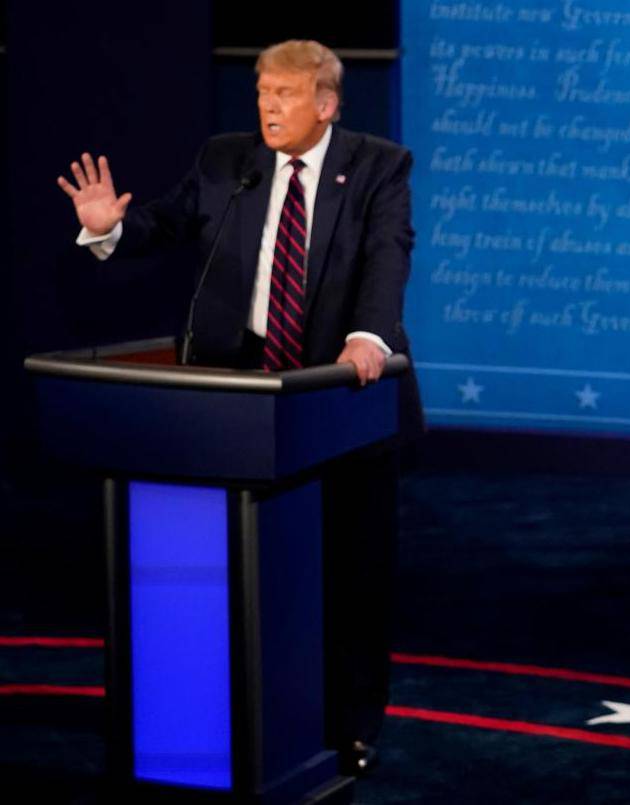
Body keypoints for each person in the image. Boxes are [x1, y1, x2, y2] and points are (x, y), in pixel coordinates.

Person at [56, 40, 420, 776]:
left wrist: (367, 336)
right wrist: (109, 227)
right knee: (247, 570)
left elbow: (388, 253)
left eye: (285, 94)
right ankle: (245, 711)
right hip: (240, 402)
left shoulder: (379, 165)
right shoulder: (230, 160)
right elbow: (162, 222)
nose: (268, 106)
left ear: (327, 103)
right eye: (261, 91)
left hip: (339, 395)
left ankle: (351, 726)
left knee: (351, 571)